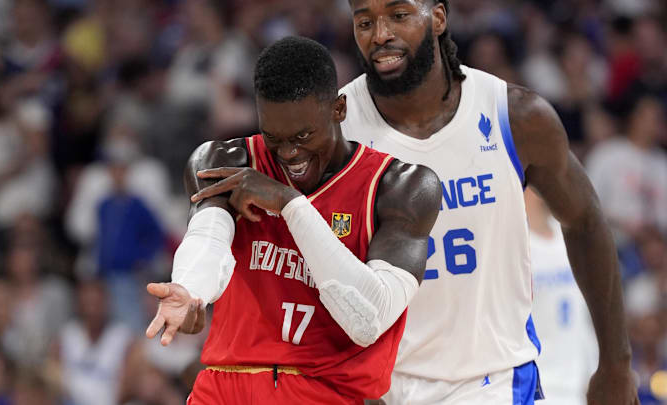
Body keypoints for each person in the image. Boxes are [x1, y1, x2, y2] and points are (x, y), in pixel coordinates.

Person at [340, 0, 638, 404]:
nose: (380, 34)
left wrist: (616, 363)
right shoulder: (335, 131)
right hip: (378, 385)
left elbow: (585, 221)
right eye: (365, 21)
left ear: (438, 18)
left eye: (399, 15)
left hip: (494, 381)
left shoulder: (514, 115)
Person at [145, 36, 442, 404]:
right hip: (223, 389)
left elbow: (369, 318)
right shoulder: (227, 160)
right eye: (275, 137)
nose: (289, 154)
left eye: (303, 136)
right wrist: (191, 291)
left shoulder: (402, 187)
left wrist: (291, 204)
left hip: (324, 393)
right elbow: (209, 238)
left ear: (338, 109)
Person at [525, 188, 598, 405]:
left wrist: (595, 367)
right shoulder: (516, 245)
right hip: (536, 388)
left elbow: (585, 317)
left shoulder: (570, 238)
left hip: (577, 386)